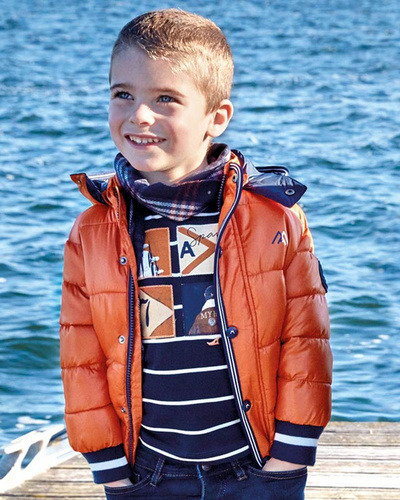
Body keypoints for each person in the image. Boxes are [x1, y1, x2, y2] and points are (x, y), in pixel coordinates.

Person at [59, 9, 332, 500]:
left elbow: (305, 340)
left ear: (216, 117)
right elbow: (81, 357)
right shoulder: (93, 229)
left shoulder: (275, 216)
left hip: (256, 466)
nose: (140, 115)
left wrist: (290, 455)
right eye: (123, 94)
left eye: (165, 98)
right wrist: (111, 470)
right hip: (148, 473)